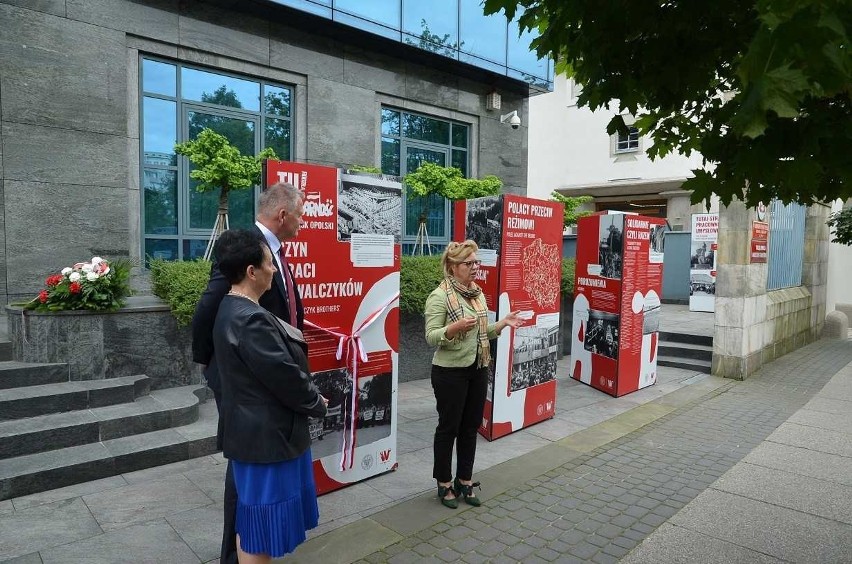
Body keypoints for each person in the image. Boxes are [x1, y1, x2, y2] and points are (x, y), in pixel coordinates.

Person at [191, 181, 306, 564]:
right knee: (246, 466)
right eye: (301, 215)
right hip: (248, 377)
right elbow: (208, 309)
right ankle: (234, 554)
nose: (303, 222)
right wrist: (214, 367)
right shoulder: (245, 249)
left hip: (265, 368)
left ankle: (248, 549)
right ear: (283, 214)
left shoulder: (273, 250)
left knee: (252, 464)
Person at [211, 229, 327, 563]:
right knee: (258, 528)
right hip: (266, 440)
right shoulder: (250, 321)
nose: (274, 270)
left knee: (251, 522)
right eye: (269, 264)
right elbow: (285, 378)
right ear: (252, 272)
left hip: (255, 436)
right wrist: (316, 402)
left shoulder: (233, 308)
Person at [424, 240, 523, 508]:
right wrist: (452, 329)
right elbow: (431, 337)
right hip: (449, 373)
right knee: (449, 428)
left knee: (470, 428)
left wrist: (502, 324)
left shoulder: (476, 294)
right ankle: (444, 483)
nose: (475, 268)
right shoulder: (440, 296)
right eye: (469, 263)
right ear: (453, 267)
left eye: (476, 262)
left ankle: (464, 480)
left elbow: (481, 332)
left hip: (477, 369)